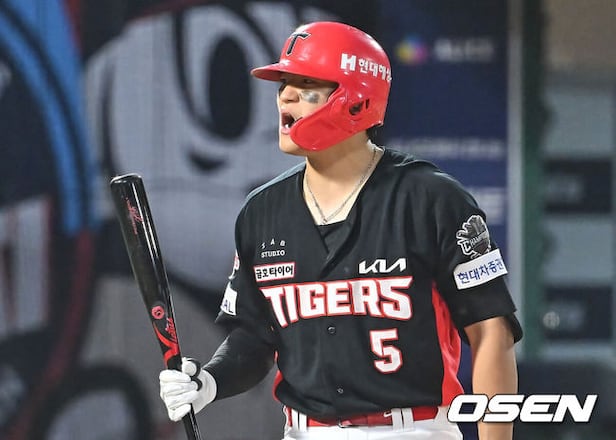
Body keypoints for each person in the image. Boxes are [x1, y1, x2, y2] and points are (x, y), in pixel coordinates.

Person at [159, 21, 523, 440]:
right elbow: (254, 338)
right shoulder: (261, 211)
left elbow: (491, 331)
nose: (285, 96)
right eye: (283, 84)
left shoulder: (431, 198)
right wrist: (208, 381)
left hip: (413, 429)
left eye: (306, 84)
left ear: (357, 100)